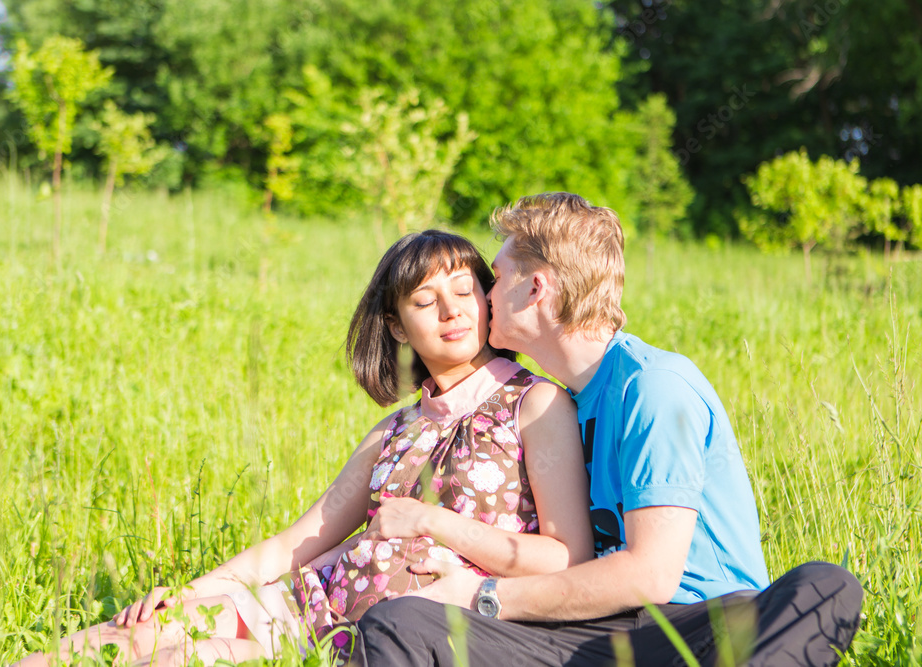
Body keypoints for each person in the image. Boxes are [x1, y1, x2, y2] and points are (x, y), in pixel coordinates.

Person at [13, 230, 592, 666]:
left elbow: (566, 558)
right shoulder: (395, 429)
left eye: (465, 290)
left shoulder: (534, 404)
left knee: (185, 658)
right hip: (308, 599)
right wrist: (185, 593)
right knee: (136, 636)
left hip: (382, 636)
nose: (451, 310)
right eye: (424, 300)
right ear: (395, 327)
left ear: (488, 298)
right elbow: (298, 542)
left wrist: (431, 521)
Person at [354, 193, 863, 666]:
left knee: (825, 586)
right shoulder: (559, 403)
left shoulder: (653, 387)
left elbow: (651, 575)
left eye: (497, 275)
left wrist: (481, 596)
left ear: (535, 288)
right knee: (400, 624)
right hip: (597, 631)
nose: (483, 293)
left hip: (696, 626)